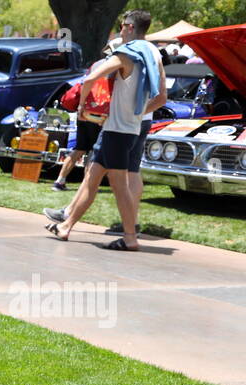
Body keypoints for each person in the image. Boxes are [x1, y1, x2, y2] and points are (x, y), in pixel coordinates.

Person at [44, 10, 165, 251]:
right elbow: (162, 97)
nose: (120, 29)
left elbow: (90, 80)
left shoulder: (125, 54)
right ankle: (66, 225)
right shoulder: (153, 53)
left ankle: (130, 238)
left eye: (122, 25)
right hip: (127, 128)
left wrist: (81, 107)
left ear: (130, 27)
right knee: (92, 177)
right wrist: (138, 113)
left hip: (117, 131)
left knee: (119, 186)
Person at [52, 60, 111, 190]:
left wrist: (80, 106)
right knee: (93, 150)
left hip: (85, 112)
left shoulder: (95, 64)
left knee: (79, 148)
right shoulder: (115, 64)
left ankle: (59, 181)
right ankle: (86, 185)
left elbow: (85, 83)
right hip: (99, 113)